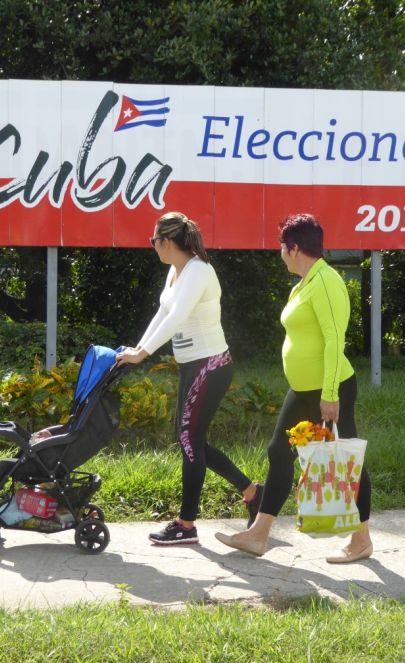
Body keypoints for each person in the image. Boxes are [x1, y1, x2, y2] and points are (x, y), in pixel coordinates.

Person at [215, 213, 373, 563]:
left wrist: (330, 393)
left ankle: (361, 539)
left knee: (348, 462)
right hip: (303, 389)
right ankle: (258, 535)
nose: (280, 253)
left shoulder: (327, 282)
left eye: (282, 247)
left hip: (331, 388)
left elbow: (335, 340)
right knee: (278, 451)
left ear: (294, 247)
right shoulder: (303, 283)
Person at [116, 211, 262, 545]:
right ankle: (253, 493)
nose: (152, 246)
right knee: (189, 438)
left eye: (154, 240)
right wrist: (139, 347)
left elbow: (179, 315)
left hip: (209, 365)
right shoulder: (177, 270)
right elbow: (164, 313)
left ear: (167, 242)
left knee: (188, 439)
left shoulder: (199, 271)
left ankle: (186, 524)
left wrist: (144, 354)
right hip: (193, 366)